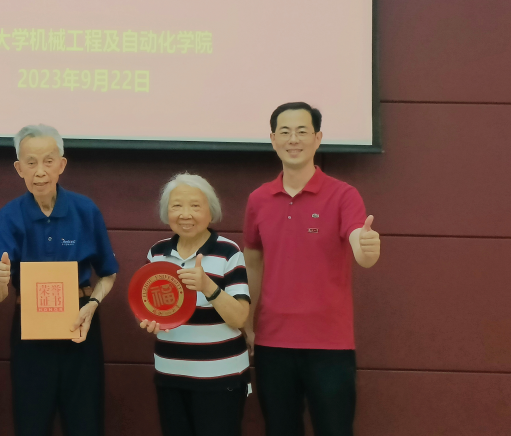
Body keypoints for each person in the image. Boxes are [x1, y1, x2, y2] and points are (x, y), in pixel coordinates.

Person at [243, 102, 381, 436]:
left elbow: (360, 246)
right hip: (273, 342)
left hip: (330, 344)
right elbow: (253, 261)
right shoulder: (258, 199)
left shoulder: (344, 195)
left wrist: (366, 248)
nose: (294, 139)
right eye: (285, 132)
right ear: (273, 139)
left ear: (318, 138)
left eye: (302, 131)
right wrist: (246, 323)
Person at [0, 124, 119, 436]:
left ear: (61, 164)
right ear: (19, 168)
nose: (40, 172)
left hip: (80, 324)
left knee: (85, 422)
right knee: (31, 423)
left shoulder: (85, 210)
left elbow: (109, 273)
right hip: (30, 330)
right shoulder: (9, 215)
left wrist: (93, 304)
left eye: (48, 161)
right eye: (31, 163)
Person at [139, 173, 251, 436]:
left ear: (210, 212)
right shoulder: (157, 253)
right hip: (170, 373)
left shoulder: (229, 252)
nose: (185, 214)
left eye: (195, 206)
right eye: (176, 206)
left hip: (220, 377)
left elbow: (239, 318)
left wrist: (208, 287)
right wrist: (147, 321)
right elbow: (144, 306)